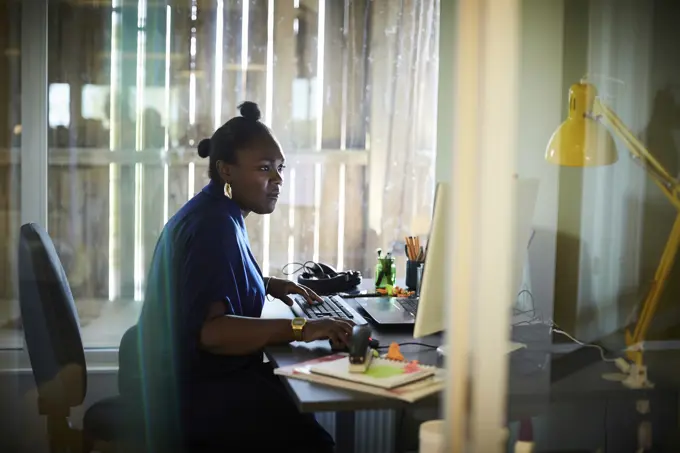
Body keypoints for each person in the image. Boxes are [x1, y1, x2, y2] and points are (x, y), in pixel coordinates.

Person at [136, 101, 353, 452]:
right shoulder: (213, 227)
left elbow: (209, 282)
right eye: (264, 168)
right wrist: (303, 328)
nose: (278, 179)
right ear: (227, 171)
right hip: (193, 395)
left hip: (198, 380)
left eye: (280, 168)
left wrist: (269, 284)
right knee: (315, 444)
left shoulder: (218, 211)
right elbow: (211, 333)